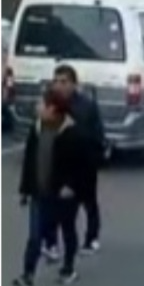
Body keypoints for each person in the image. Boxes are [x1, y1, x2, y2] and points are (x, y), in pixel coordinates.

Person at [13, 87, 96, 286]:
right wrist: (25, 190)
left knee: (67, 230)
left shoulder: (74, 134)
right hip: (39, 194)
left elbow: (86, 166)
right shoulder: (37, 128)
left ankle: (68, 268)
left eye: (41, 104)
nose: (37, 107)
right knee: (35, 236)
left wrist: (73, 187)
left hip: (65, 196)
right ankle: (27, 276)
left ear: (53, 109)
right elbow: (29, 161)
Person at [44, 63, 106, 258]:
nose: (59, 86)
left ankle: (91, 238)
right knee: (54, 205)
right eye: (56, 81)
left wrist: (94, 159)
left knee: (88, 202)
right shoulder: (50, 104)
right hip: (58, 165)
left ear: (74, 84)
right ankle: (51, 243)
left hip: (84, 164)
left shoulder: (86, 106)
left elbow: (96, 136)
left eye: (63, 82)